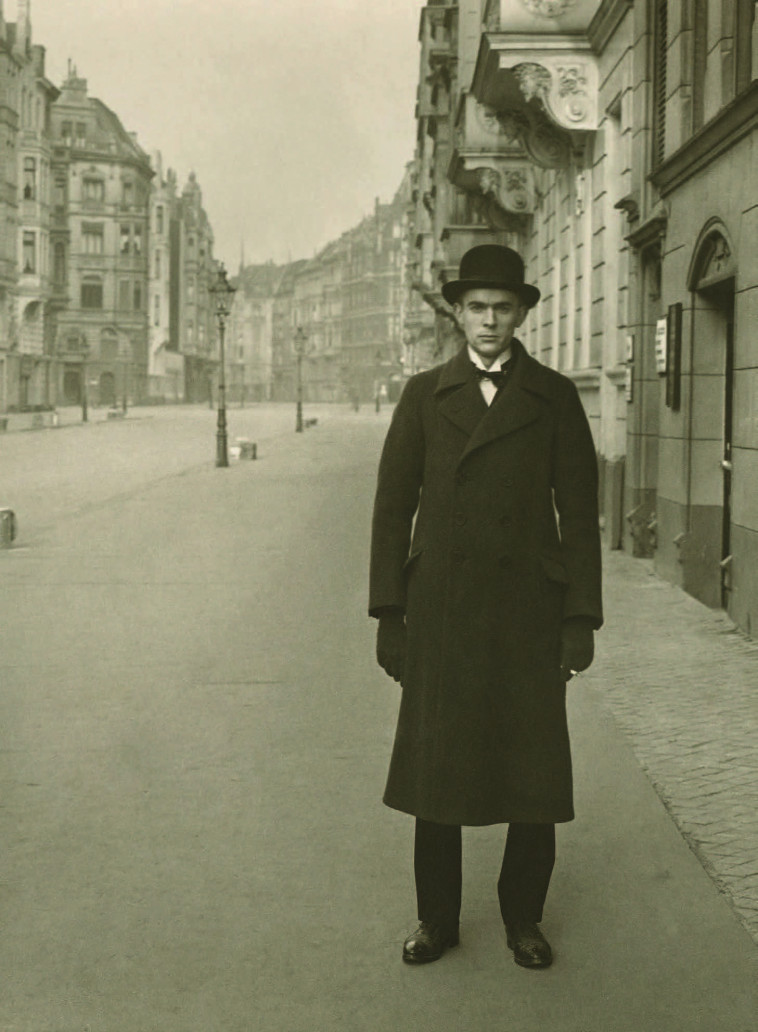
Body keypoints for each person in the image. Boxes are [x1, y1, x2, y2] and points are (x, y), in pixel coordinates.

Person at [369, 244, 602, 969]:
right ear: (458, 313)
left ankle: (523, 920)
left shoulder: (555, 396)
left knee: (531, 778)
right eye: (476, 308)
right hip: (442, 610)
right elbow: (391, 509)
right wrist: (390, 615)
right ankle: (436, 920)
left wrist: (578, 620)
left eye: (503, 308)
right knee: (435, 776)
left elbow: (580, 513)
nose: (489, 321)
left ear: (522, 313)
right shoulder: (423, 395)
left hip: (526, 613)